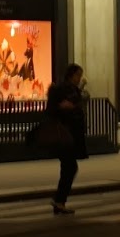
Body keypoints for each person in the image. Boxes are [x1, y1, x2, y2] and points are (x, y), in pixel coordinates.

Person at [45, 64, 88, 215]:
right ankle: (59, 200)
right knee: (70, 167)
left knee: (68, 167)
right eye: (77, 76)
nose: (79, 79)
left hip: (69, 135)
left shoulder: (70, 90)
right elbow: (55, 109)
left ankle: (59, 201)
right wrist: (65, 107)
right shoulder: (63, 90)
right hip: (65, 135)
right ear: (71, 75)